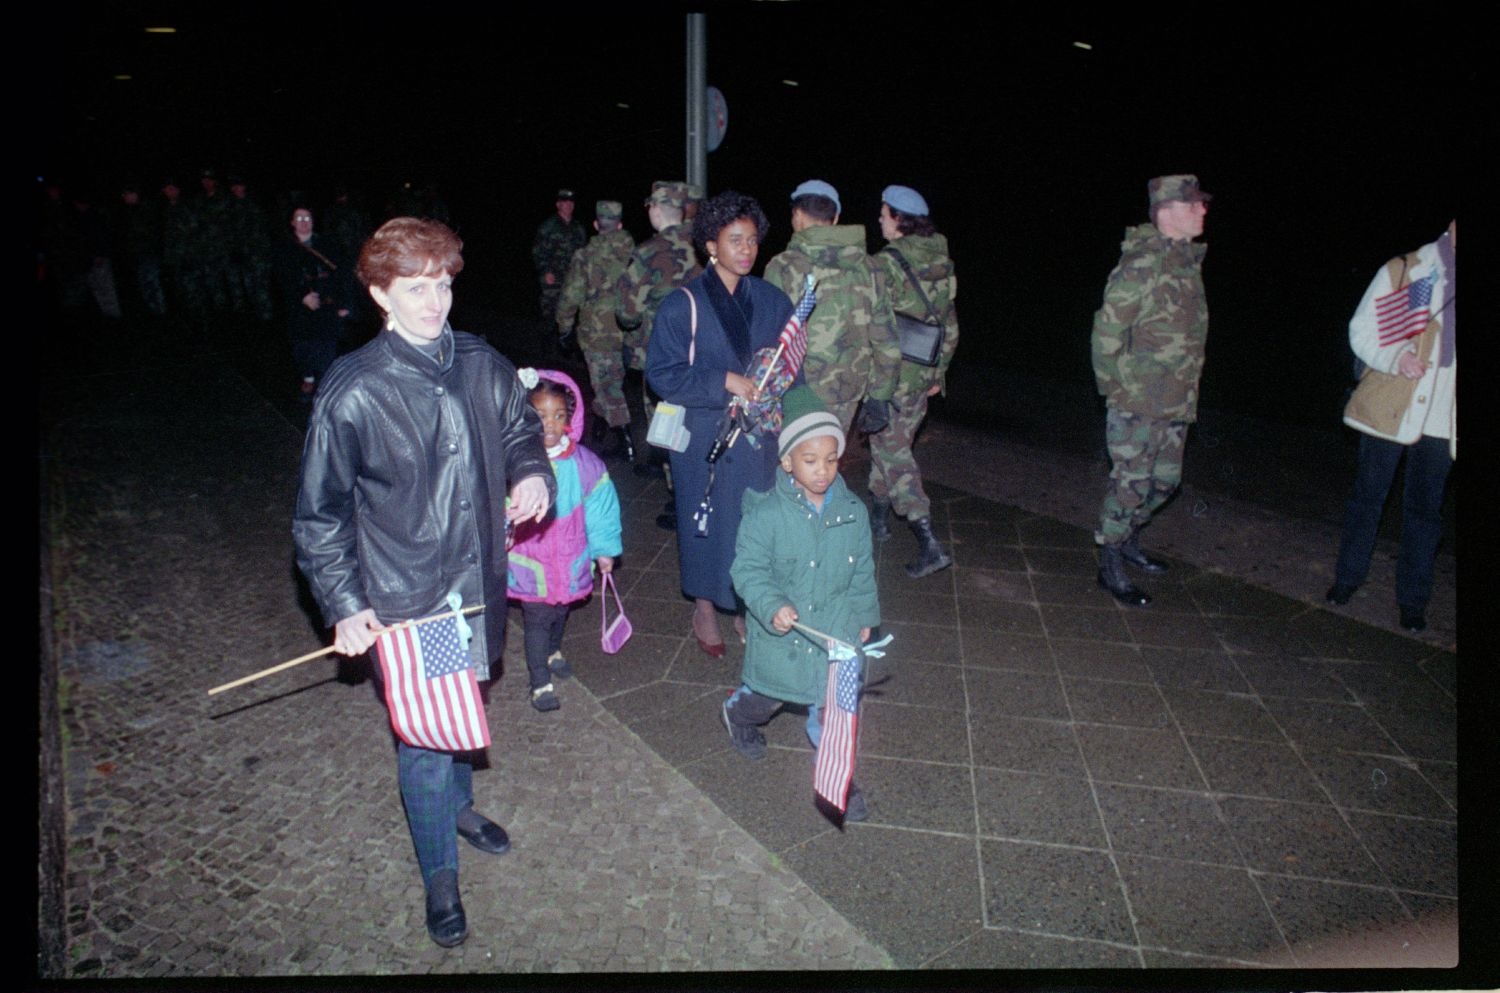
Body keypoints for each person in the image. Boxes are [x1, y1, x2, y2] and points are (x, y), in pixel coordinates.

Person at [293, 217, 555, 949]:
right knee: (426, 740)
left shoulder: (479, 360)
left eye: (443, 284)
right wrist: (344, 604)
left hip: (479, 579)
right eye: (416, 288)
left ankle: (459, 807)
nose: (435, 302)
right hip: (414, 599)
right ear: (380, 294)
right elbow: (320, 516)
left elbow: (518, 429)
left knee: (465, 699)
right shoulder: (352, 390)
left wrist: (532, 472)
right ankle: (439, 871)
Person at [646, 190, 795, 656]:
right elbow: (662, 374)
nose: (747, 250)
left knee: (752, 524)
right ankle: (705, 603)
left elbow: (792, 369)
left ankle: (751, 604)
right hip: (702, 437)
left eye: (752, 240)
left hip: (756, 437)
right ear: (711, 244)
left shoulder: (773, 301)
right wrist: (724, 380)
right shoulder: (682, 304)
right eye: (735, 240)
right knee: (704, 523)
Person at [726, 386, 877, 822]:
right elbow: (748, 570)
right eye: (810, 461)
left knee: (834, 714)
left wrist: (865, 616)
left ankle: (839, 785)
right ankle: (738, 713)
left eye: (831, 459)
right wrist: (770, 603)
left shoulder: (852, 512)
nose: (823, 471)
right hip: (784, 638)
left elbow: (862, 570)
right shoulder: (766, 515)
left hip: (834, 632)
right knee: (766, 699)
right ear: (787, 461)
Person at [1326, 221, 1456, 633]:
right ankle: (1346, 580)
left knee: (1424, 513)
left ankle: (1414, 602)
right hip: (1390, 409)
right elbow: (1361, 330)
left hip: (1442, 418)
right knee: (1367, 499)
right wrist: (1396, 356)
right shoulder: (1407, 270)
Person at [1090, 174, 1211, 606]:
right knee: (1131, 484)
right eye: (1193, 204)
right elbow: (1107, 330)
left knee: (1166, 483)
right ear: (1167, 211)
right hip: (1139, 400)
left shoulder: (1183, 261)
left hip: (1175, 401)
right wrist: (1117, 390)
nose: (1202, 210)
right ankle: (1110, 562)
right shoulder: (1143, 263)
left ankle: (1126, 538)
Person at [507, 368, 623, 711]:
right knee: (538, 621)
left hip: (570, 559)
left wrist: (604, 550)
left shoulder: (586, 465)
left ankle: (554, 649)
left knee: (561, 613)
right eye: (539, 416)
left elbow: (601, 509)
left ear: (570, 418)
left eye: (558, 415)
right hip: (532, 562)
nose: (550, 424)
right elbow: (497, 508)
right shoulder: (513, 464)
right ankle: (539, 681)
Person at [868, 184, 958, 578]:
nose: (879, 219)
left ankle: (928, 539)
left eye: (884, 213)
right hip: (922, 374)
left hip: (892, 376)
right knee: (891, 444)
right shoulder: (940, 260)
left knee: (894, 454)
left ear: (899, 219)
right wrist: (938, 373)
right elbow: (949, 325)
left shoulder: (887, 263)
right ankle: (878, 519)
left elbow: (873, 324)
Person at [763, 179, 900, 434]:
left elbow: (765, 336)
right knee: (825, 465)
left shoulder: (783, 266)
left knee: (789, 464)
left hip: (795, 390)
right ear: (835, 218)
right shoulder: (871, 269)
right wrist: (881, 394)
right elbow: (887, 340)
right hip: (847, 392)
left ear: (798, 215)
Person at [555, 200, 637, 456]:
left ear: (595, 224)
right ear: (620, 225)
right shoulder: (636, 254)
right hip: (631, 332)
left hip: (597, 333)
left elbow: (571, 295)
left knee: (607, 386)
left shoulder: (585, 256)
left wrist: (564, 326)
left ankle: (626, 443)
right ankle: (601, 423)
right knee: (611, 381)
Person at [274, 205, 354, 400]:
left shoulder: (327, 244)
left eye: (307, 218)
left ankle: (327, 384)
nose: (304, 223)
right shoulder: (284, 247)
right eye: (299, 219)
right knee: (302, 347)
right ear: (292, 222)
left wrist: (344, 303)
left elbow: (341, 274)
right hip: (299, 308)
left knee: (326, 345)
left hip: (326, 304)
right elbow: (281, 277)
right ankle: (308, 378)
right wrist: (302, 295)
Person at [531, 188, 586, 321]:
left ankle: (565, 340)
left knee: (570, 315)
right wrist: (546, 271)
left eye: (571, 202)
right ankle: (548, 341)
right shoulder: (548, 226)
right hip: (553, 278)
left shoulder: (578, 228)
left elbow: (584, 252)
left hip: (572, 279)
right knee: (550, 314)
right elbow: (538, 251)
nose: (568, 205)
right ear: (558, 205)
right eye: (565, 202)